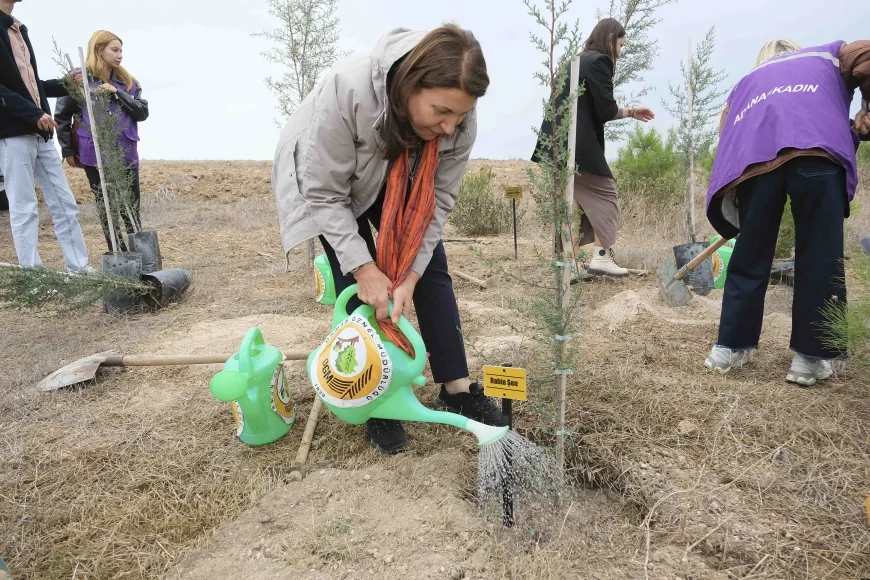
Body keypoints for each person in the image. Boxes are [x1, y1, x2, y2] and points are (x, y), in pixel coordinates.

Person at [272, 25, 506, 455]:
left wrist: (411, 274)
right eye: (441, 111)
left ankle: (455, 387)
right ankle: (375, 399)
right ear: (411, 85)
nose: (452, 126)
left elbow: (438, 202)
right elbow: (324, 192)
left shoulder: (458, 119)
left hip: (402, 177)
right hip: (329, 183)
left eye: (460, 114)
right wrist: (365, 267)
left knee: (431, 267)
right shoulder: (349, 92)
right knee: (358, 288)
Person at [704, 39, 870, 386]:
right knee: (819, 256)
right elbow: (867, 55)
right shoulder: (827, 54)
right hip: (815, 155)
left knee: (750, 253)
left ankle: (728, 348)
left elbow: (727, 137)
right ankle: (809, 359)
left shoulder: (745, 84)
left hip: (756, 165)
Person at [532, 18, 655, 279]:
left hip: (556, 145)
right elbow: (606, 110)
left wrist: (631, 112)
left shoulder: (574, 61)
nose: (619, 54)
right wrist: (628, 110)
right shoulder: (600, 62)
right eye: (620, 46)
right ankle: (601, 258)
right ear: (610, 40)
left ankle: (570, 266)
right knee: (606, 197)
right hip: (580, 147)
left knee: (573, 204)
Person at [0, 0, 90, 272]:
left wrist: (65, 83)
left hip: (42, 133)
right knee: (23, 208)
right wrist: (31, 113)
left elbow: (31, 85)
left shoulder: (19, 29)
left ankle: (79, 269)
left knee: (65, 203)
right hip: (14, 133)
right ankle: (33, 277)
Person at [56, 30, 149, 253]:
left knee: (131, 206)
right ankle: (117, 252)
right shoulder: (79, 79)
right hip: (93, 152)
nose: (119, 55)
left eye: (121, 51)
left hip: (125, 151)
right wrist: (68, 149)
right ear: (99, 50)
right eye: (114, 50)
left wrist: (116, 92)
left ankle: (140, 254)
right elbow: (61, 115)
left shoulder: (128, 83)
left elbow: (142, 112)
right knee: (107, 206)